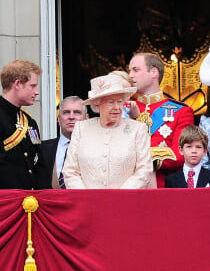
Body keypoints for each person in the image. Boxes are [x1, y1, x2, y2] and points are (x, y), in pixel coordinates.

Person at [62, 73, 154, 189]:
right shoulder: (81, 128)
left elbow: (144, 170)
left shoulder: (137, 129)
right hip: (88, 204)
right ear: (97, 104)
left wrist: (119, 197)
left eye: (120, 101)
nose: (116, 107)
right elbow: (70, 171)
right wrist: (85, 197)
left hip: (124, 202)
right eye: (111, 102)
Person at [128, 52, 195, 188]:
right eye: (129, 71)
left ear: (154, 72)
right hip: (127, 187)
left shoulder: (181, 111)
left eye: (136, 70)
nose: (130, 75)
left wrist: (139, 158)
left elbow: (180, 155)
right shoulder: (124, 108)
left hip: (163, 189)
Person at [0, 59, 51, 189]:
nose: (37, 92)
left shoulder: (29, 121)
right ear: (18, 85)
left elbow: (39, 166)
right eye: (33, 86)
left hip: (29, 201)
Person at [41, 96, 88, 188]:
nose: (71, 117)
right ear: (59, 119)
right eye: (66, 112)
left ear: (86, 119)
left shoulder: (95, 147)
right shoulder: (43, 148)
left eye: (77, 112)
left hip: (84, 201)